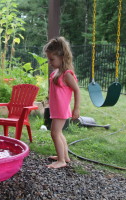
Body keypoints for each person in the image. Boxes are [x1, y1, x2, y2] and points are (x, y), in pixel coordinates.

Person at [43, 36, 80, 169]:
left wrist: (76, 109)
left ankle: (61, 161)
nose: (50, 62)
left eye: (52, 59)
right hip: (56, 108)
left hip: (61, 109)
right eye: (49, 59)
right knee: (59, 133)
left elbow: (77, 90)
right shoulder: (57, 72)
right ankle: (65, 157)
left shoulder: (67, 74)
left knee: (55, 133)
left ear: (62, 57)